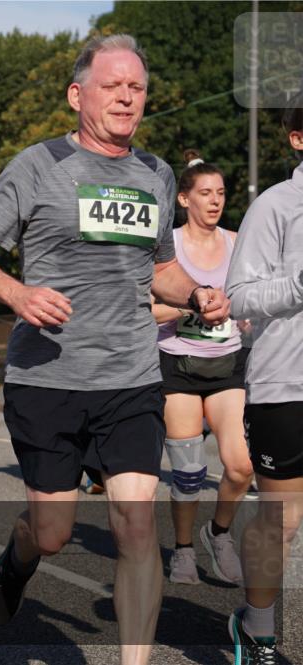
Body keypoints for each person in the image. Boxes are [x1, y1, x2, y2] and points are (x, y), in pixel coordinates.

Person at [0, 35, 230, 665]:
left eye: (137, 87)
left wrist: (196, 295)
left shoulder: (157, 174)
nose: (127, 97)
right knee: (52, 533)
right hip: (48, 378)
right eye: (113, 86)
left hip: (130, 377)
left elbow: (160, 270)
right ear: (78, 95)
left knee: (137, 525)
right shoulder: (38, 164)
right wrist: (17, 293)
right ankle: (18, 558)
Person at [225, 97, 303, 665]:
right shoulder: (275, 205)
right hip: (287, 384)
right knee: (282, 521)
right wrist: (299, 285)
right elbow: (237, 297)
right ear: (298, 139)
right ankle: (256, 628)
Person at [152, 151, 253, 586]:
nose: (215, 201)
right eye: (206, 193)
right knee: (189, 472)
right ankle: (183, 549)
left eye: (221, 193)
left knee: (241, 466)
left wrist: (244, 314)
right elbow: (148, 308)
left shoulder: (237, 243)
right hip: (178, 365)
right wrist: (191, 306)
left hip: (227, 363)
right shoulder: (168, 247)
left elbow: (249, 297)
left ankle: (219, 533)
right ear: (184, 199)